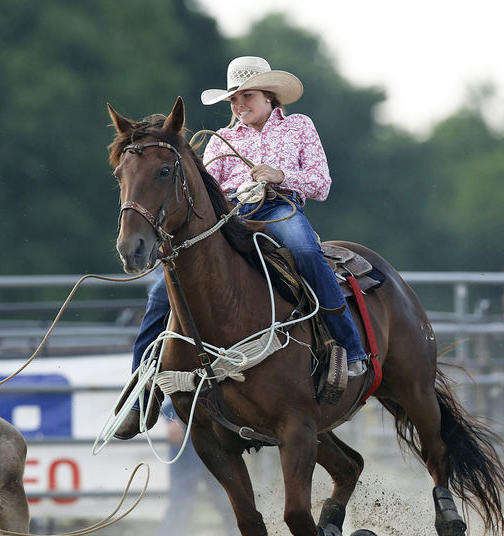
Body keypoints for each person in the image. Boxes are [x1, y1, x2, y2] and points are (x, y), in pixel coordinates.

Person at [116, 56, 367, 438]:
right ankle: (141, 392)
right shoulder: (221, 141)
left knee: (305, 252)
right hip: (230, 218)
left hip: (279, 208)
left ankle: (350, 347)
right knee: (162, 293)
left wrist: (280, 175)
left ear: (270, 97)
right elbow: (201, 193)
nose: (238, 105)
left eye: (246, 96)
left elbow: (321, 183)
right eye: (233, 99)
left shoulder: (299, 127)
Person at [141, 400, 240, 536]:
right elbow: (162, 374)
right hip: (190, 420)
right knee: (183, 506)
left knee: (231, 503)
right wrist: (172, 415)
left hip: (215, 420)